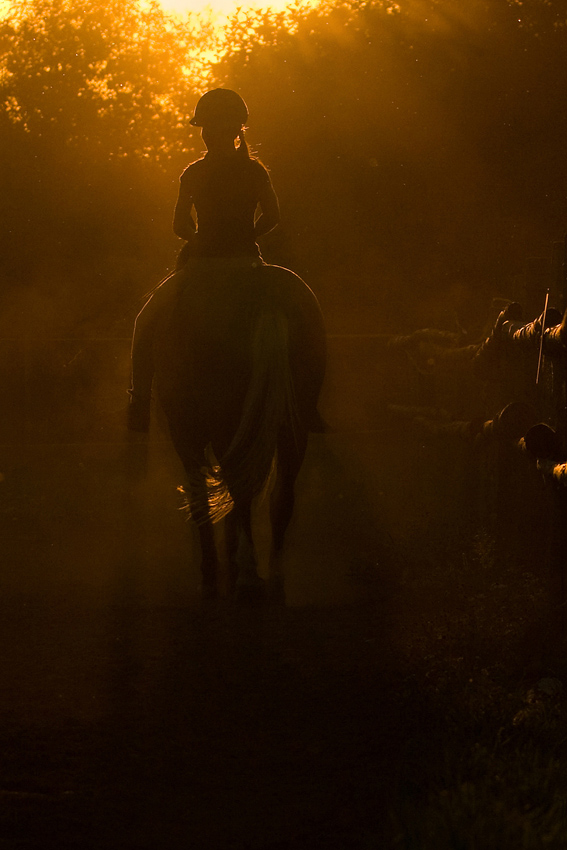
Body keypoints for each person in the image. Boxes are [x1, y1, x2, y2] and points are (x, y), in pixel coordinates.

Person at [127, 88, 280, 432]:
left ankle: (139, 404)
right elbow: (272, 216)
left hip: (202, 265)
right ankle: (304, 403)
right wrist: (247, 236)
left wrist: (200, 240)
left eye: (212, 127)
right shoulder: (255, 172)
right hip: (249, 263)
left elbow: (179, 223)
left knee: (145, 320)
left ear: (231, 130)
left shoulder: (194, 173)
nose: (208, 134)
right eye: (207, 127)